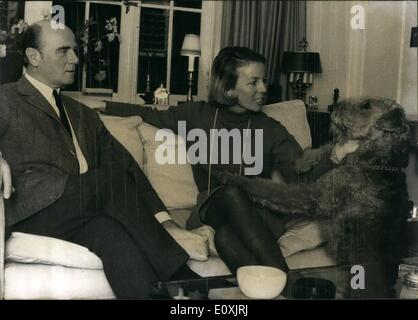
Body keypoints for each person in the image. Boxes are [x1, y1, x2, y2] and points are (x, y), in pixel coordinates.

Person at [0, 20, 200, 299]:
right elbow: (114, 179)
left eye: (75, 50)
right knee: (110, 181)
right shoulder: (6, 98)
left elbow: (124, 166)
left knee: (109, 232)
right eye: (63, 51)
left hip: (80, 211)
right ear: (34, 57)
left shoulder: (82, 113)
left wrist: (164, 219)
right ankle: (182, 275)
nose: (75, 59)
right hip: (30, 212)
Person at [104, 47, 306, 274]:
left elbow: (303, 168)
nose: (263, 89)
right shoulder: (196, 115)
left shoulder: (270, 128)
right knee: (231, 192)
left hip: (257, 217)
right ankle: (286, 279)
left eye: (264, 81)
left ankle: (271, 287)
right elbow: (149, 114)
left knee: (225, 238)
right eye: (253, 82)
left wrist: (339, 154)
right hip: (212, 207)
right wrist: (102, 106)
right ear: (229, 88)